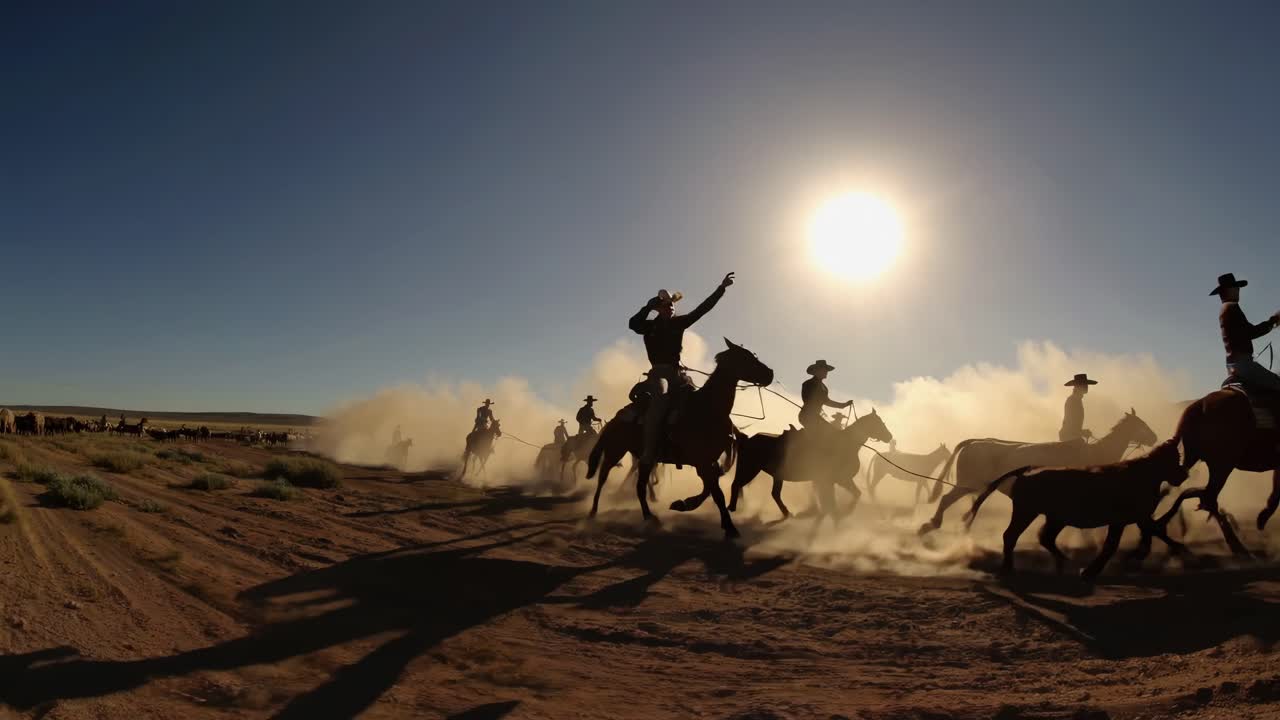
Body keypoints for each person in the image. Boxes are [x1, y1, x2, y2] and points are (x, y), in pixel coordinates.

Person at [629, 272, 735, 463]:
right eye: (665, 305)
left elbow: (702, 310)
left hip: (677, 373)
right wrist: (647, 307)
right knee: (659, 401)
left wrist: (721, 289)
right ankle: (649, 452)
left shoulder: (679, 323)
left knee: (699, 400)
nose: (669, 307)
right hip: (658, 374)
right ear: (658, 309)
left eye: (671, 304)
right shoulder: (647, 326)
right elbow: (632, 324)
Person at [1214, 273, 1280, 393]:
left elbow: (1246, 332)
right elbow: (1251, 332)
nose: (1238, 290)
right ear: (1227, 291)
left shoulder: (1227, 309)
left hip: (1233, 366)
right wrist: (1273, 321)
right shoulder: (1231, 309)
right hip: (1244, 365)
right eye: (1235, 287)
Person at [799, 360, 853, 431]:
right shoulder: (808, 383)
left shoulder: (824, 388)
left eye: (826, 370)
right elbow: (806, 400)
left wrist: (843, 405)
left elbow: (827, 401)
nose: (826, 372)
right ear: (818, 371)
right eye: (824, 370)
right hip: (807, 416)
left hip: (817, 417)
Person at [1059, 374, 1098, 442]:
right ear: (1079, 386)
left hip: (1072, 436)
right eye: (1084, 384)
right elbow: (1070, 424)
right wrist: (1082, 432)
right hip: (1069, 438)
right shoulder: (1073, 401)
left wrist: (1081, 432)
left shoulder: (1076, 400)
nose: (1087, 386)